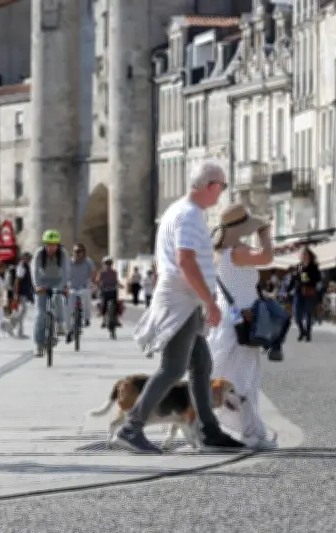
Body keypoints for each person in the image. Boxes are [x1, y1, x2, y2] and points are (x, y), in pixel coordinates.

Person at [115, 159, 245, 453]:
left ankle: (208, 431)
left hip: (184, 300)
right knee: (173, 368)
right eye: (221, 187)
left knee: (201, 365)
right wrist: (209, 301)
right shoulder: (188, 216)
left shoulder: (179, 211)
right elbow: (185, 261)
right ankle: (131, 427)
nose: (221, 193)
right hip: (181, 303)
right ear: (211, 186)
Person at [206, 203, 278, 449]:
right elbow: (268, 257)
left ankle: (234, 427)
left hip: (232, 315)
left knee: (226, 374)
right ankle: (252, 433)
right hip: (242, 318)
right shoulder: (236, 251)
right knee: (243, 379)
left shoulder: (223, 251)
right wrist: (265, 233)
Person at [31, 230, 71, 357]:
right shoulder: (39, 254)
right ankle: (38, 344)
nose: (51, 247)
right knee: (40, 314)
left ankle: (60, 323)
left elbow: (65, 271)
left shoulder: (63, 254)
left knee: (58, 297)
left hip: (58, 281)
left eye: (54, 244)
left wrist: (64, 286)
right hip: (42, 283)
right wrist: (37, 286)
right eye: (48, 244)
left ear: (58, 245)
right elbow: (34, 270)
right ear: (45, 244)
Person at [290, 247, 321, 341]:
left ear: (309, 256)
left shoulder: (314, 266)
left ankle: (307, 333)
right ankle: (302, 331)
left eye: (305, 254)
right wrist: (295, 276)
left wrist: (308, 278)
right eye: (302, 254)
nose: (303, 256)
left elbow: (317, 279)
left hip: (309, 292)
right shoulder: (298, 266)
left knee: (308, 314)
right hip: (299, 292)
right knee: (296, 314)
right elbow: (294, 279)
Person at [67, 242, 95, 339]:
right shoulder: (69, 262)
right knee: (69, 300)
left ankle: (87, 318)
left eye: (80, 251)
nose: (77, 253)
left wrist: (92, 282)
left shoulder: (88, 262)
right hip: (73, 287)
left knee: (86, 296)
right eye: (75, 251)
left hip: (84, 286)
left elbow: (93, 272)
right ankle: (70, 324)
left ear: (83, 252)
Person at [11, 252, 34, 338]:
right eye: (28, 258)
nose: (30, 260)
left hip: (23, 293)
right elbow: (18, 281)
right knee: (22, 311)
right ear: (24, 258)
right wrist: (17, 294)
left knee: (21, 311)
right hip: (21, 293)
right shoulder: (21, 267)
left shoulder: (26, 266)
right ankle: (11, 324)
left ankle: (19, 332)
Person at [98, 257, 123, 328]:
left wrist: (120, 285)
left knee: (117, 304)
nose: (108, 265)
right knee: (104, 305)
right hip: (104, 291)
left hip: (113, 290)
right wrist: (97, 286)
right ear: (104, 264)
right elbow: (98, 280)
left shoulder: (114, 272)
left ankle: (117, 320)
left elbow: (116, 280)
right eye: (107, 263)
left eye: (110, 263)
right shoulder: (102, 272)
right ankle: (103, 321)